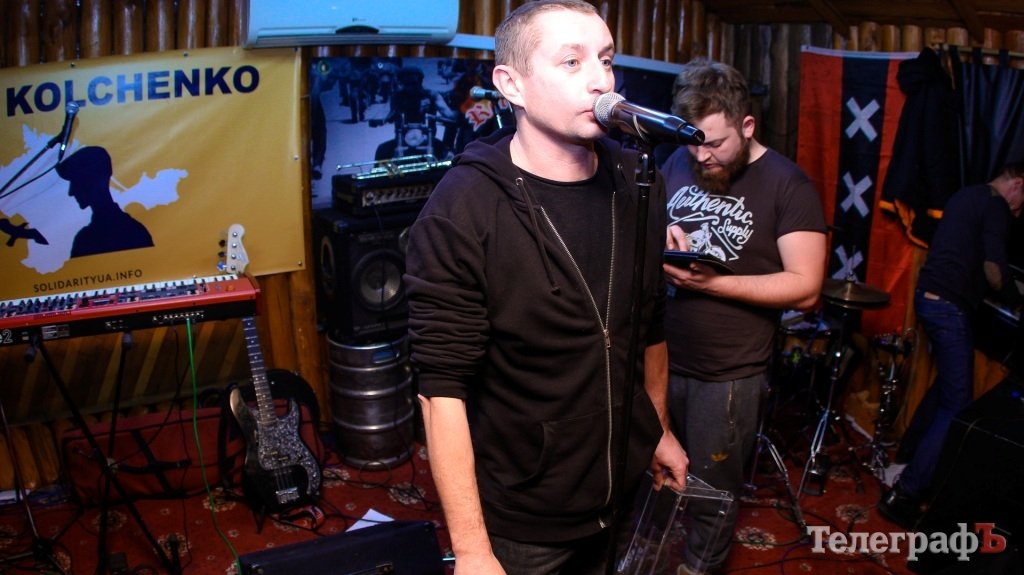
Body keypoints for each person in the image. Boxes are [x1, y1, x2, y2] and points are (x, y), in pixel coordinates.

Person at [404, 1, 689, 573]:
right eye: (571, 61)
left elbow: (649, 322)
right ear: (511, 84)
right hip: (525, 516)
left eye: (605, 60)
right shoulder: (463, 209)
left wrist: (656, 429)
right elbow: (442, 391)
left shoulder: (639, 180)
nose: (600, 80)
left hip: (622, 483)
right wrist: (473, 550)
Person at [660, 58, 827, 574]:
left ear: (747, 125)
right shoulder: (678, 159)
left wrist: (712, 284)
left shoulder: (788, 185)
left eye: (714, 143)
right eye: (693, 142)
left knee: (711, 492)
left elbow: (806, 288)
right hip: (657, 358)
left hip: (727, 375)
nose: (701, 155)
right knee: (653, 477)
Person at [879, 158, 1024, 529]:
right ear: (1018, 183)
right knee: (958, 404)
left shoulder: (967, 194)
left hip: (929, 297)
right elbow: (994, 271)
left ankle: (907, 457)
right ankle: (905, 494)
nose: (1020, 211)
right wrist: (1016, 297)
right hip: (948, 307)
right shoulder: (996, 205)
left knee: (945, 389)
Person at [58, 146, 154, 258]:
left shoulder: (86, 240)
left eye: (76, 182)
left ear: (92, 181)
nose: (71, 192)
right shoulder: (135, 230)